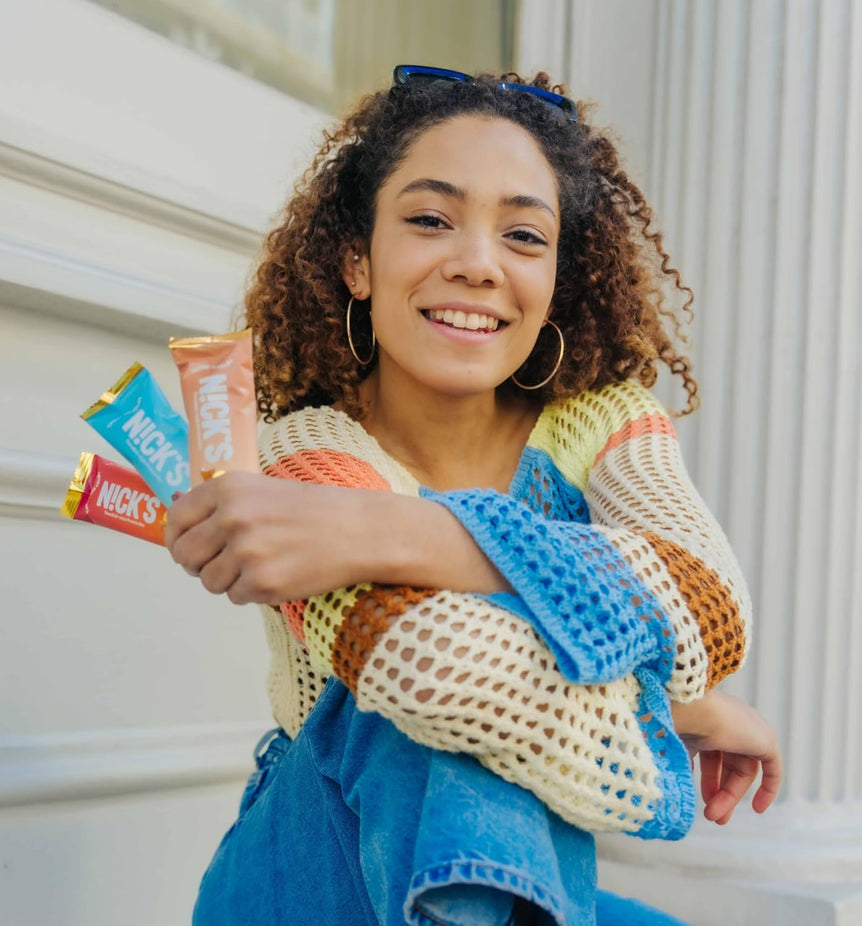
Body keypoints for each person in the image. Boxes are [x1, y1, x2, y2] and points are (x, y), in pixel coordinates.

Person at [165, 65, 782, 926]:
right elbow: (432, 670)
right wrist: (666, 715)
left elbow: (706, 599)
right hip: (310, 872)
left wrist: (395, 528)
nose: (479, 264)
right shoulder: (303, 454)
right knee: (410, 726)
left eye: (524, 237)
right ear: (357, 262)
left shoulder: (601, 425)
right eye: (428, 220)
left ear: (558, 279)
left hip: (499, 873)